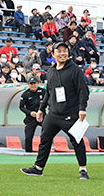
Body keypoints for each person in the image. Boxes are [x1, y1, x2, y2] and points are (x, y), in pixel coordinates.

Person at [21, 42, 90, 179]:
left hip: (70, 114)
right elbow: (49, 92)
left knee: (77, 141)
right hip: (53, 114)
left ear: (68, 54)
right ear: (53, 54)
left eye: (65, 50)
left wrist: (82, 108)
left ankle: (83, 169)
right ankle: (38, 168)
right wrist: (41, 109)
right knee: (44, 140)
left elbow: (83, 90)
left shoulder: (75, 70)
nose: (62, 53)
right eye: (59, 51)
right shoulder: (51, 71)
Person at [19, 77, 44, 153]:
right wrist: (30, 113)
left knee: (48, 133)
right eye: (31, 84)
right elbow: (21, 107)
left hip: (42, 116)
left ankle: (44, 151)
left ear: (38, 84)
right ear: (28, 85)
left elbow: (49, 102)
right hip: (31, 117)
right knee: (28, 137)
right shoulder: (25, 94)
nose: (33, 85)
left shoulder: (43, 91)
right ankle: (28, 153)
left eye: (34, 83)